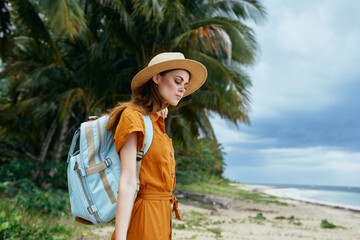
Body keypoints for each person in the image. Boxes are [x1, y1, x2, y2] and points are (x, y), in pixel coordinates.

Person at [105, 52, 207, 240]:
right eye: (177, 81)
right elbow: (128, 181)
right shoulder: (132, 117)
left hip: (162, 216)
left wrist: (158, 111)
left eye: (185, 85)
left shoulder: (156, 121)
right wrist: (120, 238)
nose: (182, 89)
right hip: (144, 217)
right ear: (157, 77)